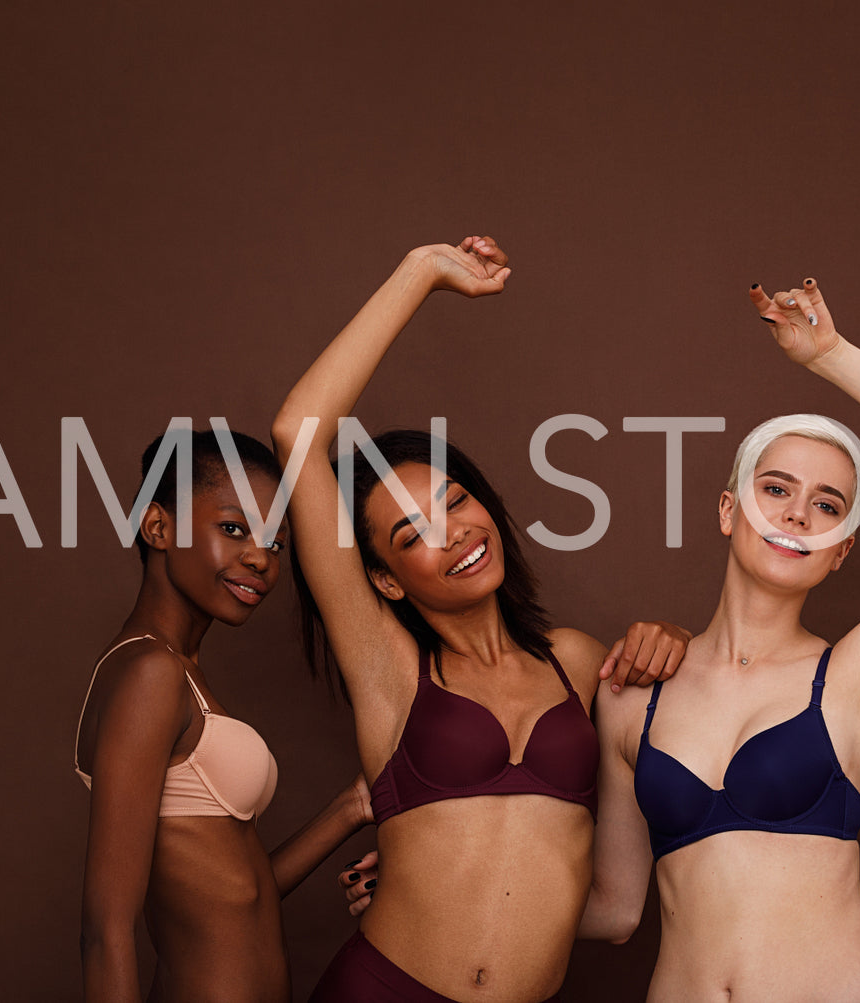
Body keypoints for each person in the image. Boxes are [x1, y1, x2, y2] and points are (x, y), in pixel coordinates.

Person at [271, 236, 690, 1002]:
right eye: (411, 535)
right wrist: (421, 272)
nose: (453, 532)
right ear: (386, 582)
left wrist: (676, 642)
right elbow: (300, 434)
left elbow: (612, 909)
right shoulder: (387, 668)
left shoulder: (574, 659)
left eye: (454, 501)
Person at [579, 277, 860, 1002]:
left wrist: (827, 355)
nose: (797, 514)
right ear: (729, 509)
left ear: (841, 547)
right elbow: (615, 909)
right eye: (775, 488)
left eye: (827, 505)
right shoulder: (633, 697)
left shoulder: (859, 676)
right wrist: (439, 891)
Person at [73, 429, 372, 1003]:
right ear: (158, 527)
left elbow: (239, 899)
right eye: (233, 529)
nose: (261, 558)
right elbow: (105, 930)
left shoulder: (178, 671)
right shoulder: (150, 675)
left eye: (277, 544)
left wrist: (350, 809)